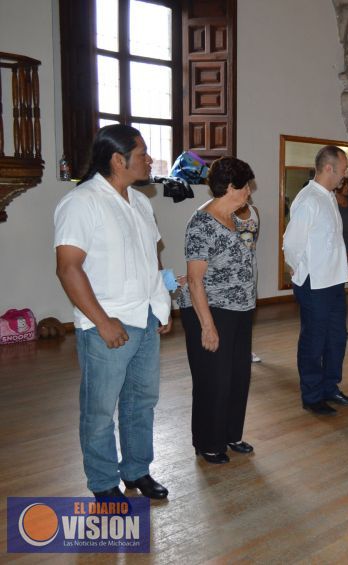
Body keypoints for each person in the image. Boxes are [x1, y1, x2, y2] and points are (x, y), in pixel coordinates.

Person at [54, 124, 170, 500]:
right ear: (118, 160)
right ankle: (104, 483)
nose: (149, 160)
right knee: (100, 410)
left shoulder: (141, 202)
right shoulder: (81, 202)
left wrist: (161, 306)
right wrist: (102, 322)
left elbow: (151, 257)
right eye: (142, 154)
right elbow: (68, 267)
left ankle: (137, 470)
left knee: (142, 402)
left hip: (145, 318)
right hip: (107, 325)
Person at [178, 157, 258, 464]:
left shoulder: (236, 219)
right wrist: (208, 327)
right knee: (214, 378)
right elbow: (196, 281)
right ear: (229, 187)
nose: (249, 192)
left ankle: (230, 434)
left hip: (239, 309)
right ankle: (208, 442)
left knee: (238, 375)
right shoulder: (201, 223)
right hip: (209, 310)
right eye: (245, 185)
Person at [283, 146, 348, 415]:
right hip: (314, 283)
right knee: (314, 341)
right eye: (344, 169)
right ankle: (312, 396)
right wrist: (295, 268)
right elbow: (291, 243)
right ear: (329, 168)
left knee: (336, 338)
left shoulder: (328, 196)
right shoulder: (309, 200)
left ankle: (330, 388)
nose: (345, 175)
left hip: (334, 280)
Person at [235, 198, 263, 364]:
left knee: (249, 308)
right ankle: (233, 350)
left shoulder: (255, 211)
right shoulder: (227, 212)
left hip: (251, 267)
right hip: (232, 270)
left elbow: (254, 239)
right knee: (233, 310)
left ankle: (245, 349)